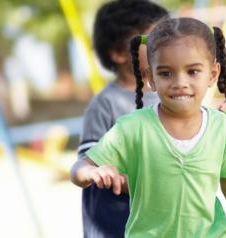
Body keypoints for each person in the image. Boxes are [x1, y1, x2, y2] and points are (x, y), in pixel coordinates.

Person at [71, 17, 226, 238]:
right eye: (166, 73)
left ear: (213, 74)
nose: (180, 82)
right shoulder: (132, 128)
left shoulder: (222, 128)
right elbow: (78, 170)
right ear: (150, 78)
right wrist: (92, 171)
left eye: (193, 71)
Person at [77, 1, 168, 237]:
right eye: (153, 39)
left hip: (162, 216)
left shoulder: (172, 94)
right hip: (117, 220)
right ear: (118, 53)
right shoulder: (105, 104)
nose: (166, 45)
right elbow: (85, 164)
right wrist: (97, 173)